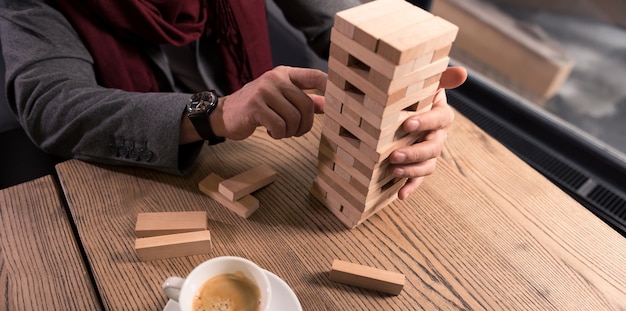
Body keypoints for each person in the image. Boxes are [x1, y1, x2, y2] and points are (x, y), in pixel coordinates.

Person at [0, 0, 467, 200]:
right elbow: (52, 107)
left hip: (256, 156)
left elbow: (349, 21)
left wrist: (416, 89)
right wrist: (215, 113)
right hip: (130, 179)